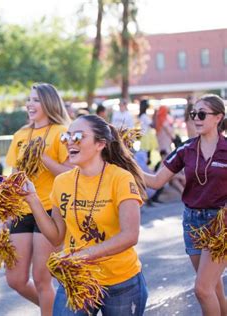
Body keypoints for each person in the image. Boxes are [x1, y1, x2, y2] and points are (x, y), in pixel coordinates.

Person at [25, 114, 148, 315]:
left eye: (78, 136)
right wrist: (32, 200)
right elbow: (56, 236)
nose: (69, 142)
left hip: (120, 282)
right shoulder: (62, 182)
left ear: (100, 144)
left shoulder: (121, 179)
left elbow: (130, 236)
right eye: (67, 137)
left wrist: (84, 255)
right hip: (77, 279)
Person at [144, 94, 227, 316]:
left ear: (218, 117)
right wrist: (123, 162)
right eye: (193, 115)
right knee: (213, 286)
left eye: (202, 114)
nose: (196, 119)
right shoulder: (186, 149)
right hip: (192, 221)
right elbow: (156, 181)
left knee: (202, 289)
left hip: (220, 223)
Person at [0, 83, 71, 315]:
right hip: (21, 211)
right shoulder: (20, 135)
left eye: (36, 100)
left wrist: (43, 156)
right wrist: (3, 216)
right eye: (29, 99)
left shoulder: (62, 132)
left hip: (49, 211)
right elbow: (14, 178)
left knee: (42, 279)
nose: (30, 104)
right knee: (15, 279)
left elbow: (69, 174)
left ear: (49, 103)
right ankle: (55, 310)